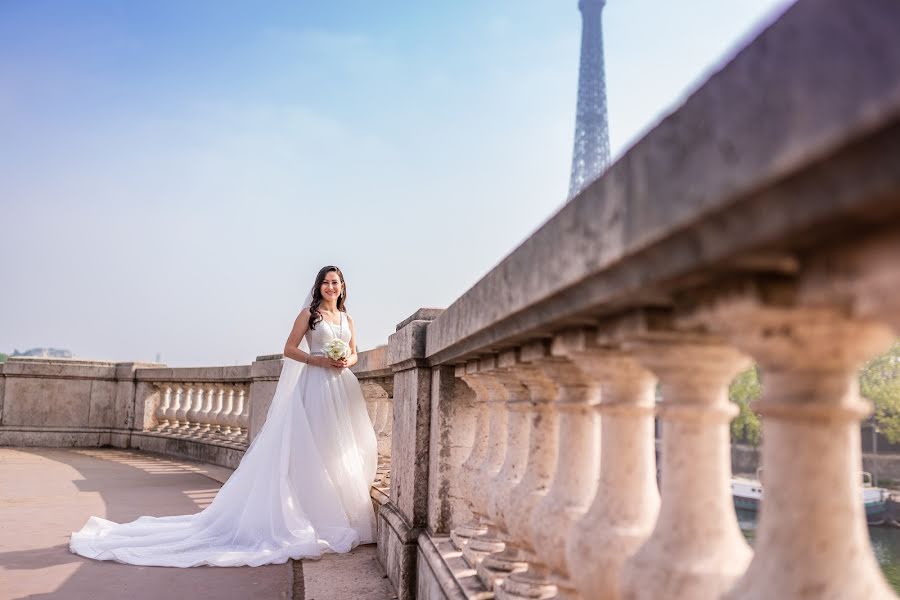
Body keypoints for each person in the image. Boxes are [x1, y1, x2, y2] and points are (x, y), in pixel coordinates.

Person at [69, 265, 378, 567]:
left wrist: (346, 360)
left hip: (341, 388)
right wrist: (318, 361)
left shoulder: (348, 318)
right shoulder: (310, 316)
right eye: (325, 282)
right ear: (318, 286)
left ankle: (340, 513)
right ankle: (312, 515)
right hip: (314, 385)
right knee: (313, 450)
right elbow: (288, 349)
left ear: (342, 287)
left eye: (335, 282)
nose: (330, 287)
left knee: (337, 450)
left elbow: (354, 351)